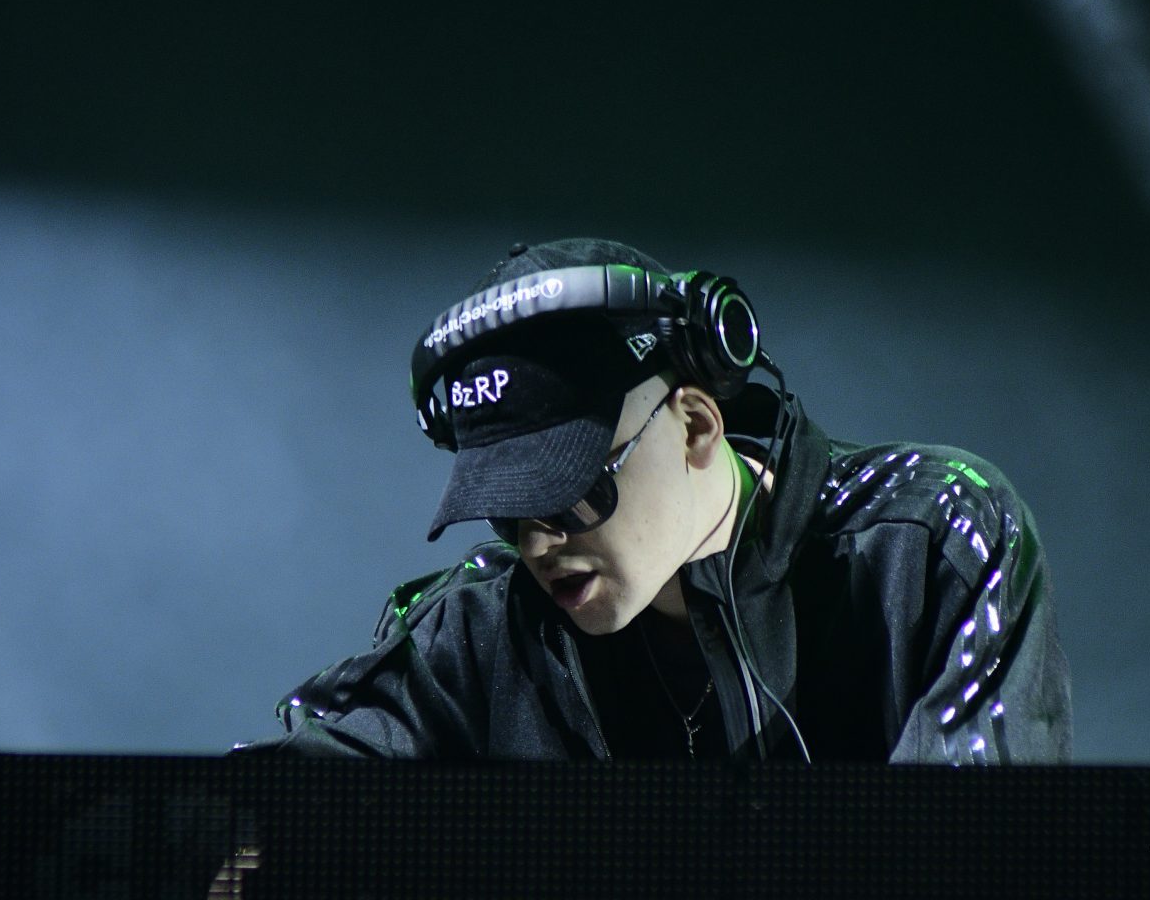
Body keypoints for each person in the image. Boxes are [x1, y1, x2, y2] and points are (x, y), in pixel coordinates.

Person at [238, 238, 1071, 762]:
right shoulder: (479, 631)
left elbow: (978, 855)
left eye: (567, 493)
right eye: (508, 511)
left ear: (698, 425)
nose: (538, 544)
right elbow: (261, 812)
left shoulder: (931, 544)